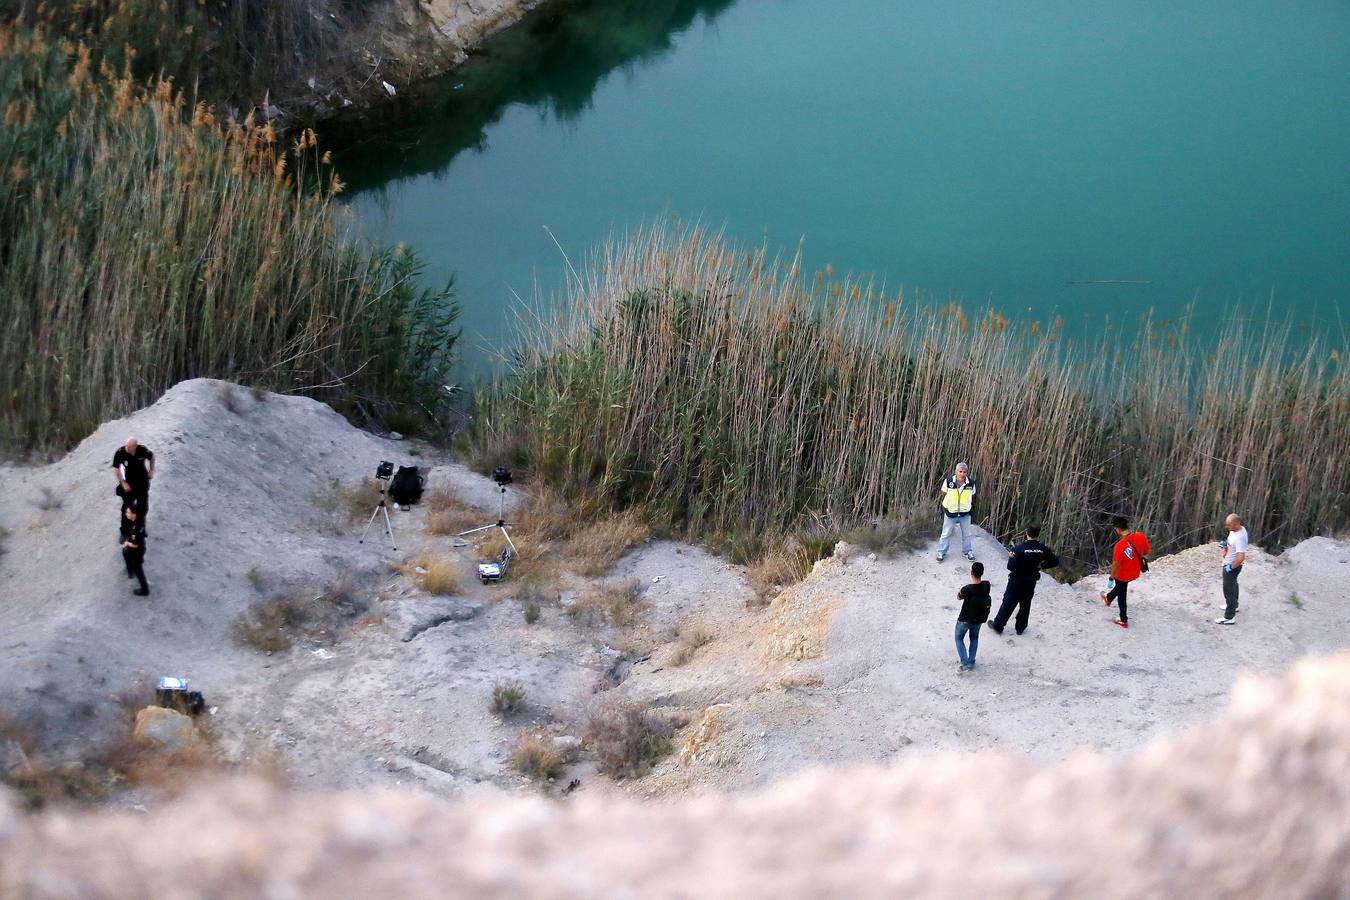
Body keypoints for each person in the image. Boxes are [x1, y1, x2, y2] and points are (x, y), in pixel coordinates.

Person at [989, 525, 1060, 635]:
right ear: (1037, 534)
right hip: (1031, 580)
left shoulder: (1018, 549)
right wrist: (1042, 565)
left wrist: (1011, 557)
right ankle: (1020, 628)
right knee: (1025, 603)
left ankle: (998, 625)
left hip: (1016, 580)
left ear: (1026, 534)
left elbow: (1010, 567)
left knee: (1008, 602)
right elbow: (1055, 561)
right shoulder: (1042, 549)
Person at [1100, 515, 1149, 629]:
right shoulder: (1140, 536)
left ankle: (1123, 619)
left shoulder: (1119, 546)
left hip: (1122, 575)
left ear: (1117, 529)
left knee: (1122, 595)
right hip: (1135, 572)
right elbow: (1146, 551)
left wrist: (1111, 578)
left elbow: (1116, 564)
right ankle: (1108, 598)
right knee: (1121, 587)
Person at [936, 462, 977, 562]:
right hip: (951, 512)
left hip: (964, 513)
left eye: (964, 472)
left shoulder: (970, 483)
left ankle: (967, 551)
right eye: (960, 471)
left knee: (966, 534)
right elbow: (943, 492)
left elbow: (972, 494)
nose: (962, 474)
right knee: (946, 533)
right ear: (956, 471)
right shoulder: (949, 481)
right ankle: (941, 551)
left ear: (967, 473)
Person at [955, 561, 991, 671]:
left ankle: (964, 662)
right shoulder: (987, 585)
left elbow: (958, 597)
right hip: (979, 619)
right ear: (982, 573)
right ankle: (971, 662)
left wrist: (960, 592)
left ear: (971, 573)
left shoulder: (967, 589)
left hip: (965, 619)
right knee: (974, 638)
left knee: (959, 638)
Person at [112, 436, 155, 527]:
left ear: (135, 446)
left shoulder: (142, 450)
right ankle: (124, 529)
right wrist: (123, 483)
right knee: (126, 507)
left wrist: (151, 470)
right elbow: (116, 469)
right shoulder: (120, 452)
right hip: (129, 483)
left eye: (129, 446)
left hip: (143, 482)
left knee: (143, 506)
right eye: (126, 445)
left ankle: (140, 526)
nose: (127, 448)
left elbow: (152, 457)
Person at [1214, 513, 1248, 625]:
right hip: (1229, 563)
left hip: (1231, 566)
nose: (1228, 528)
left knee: (1229, 591)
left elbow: (1241, 557)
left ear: (1237, 523)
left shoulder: (1240, 538)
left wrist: (1231, 567)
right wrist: (1226, 545)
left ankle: (1229, 617)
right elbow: (1233, 545)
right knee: (1234, 585)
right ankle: (1235, 605)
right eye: (1227, 525)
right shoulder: (1236, 530)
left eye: (1230, 525)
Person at [121, 503, 149, 596]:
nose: (126, 514)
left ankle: (145, 590)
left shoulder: (138, 527)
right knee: (125, 553)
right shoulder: (133, 520)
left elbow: (136, 545)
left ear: (134, 514)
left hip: (137, 550)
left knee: (139, 570)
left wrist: (126, 543)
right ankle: (130, 570)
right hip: (133, 546)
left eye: (128, 512)